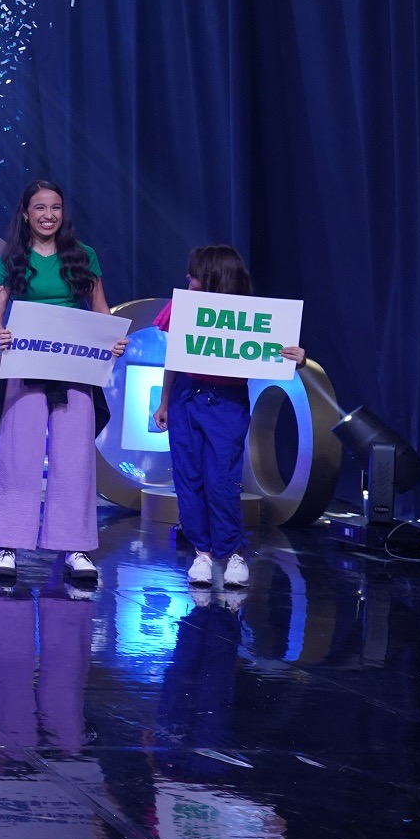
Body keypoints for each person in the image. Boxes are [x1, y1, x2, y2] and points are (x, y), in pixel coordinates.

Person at [0, 180, 126, 584]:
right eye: (40, 208)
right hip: (26, 364)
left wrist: (112, 338)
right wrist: (0, 335)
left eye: (56, 207)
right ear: (26, 214)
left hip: (74, 368)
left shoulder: (83, 256)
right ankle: (8, 544)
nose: (49, 215)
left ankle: (75, 546)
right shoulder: (12, 258)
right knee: (17, 455)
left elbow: (101, 310)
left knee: (74, 457)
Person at [152, 245, 304, 587]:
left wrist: (299, 359)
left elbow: (276, 354)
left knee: (221, 480)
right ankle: (202, 554)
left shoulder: (252, 315)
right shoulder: (184, 307)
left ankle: (233, 553)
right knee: (188, 478)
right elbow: (175, 357)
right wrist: (164, 402)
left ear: (214, 278)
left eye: (194, 276)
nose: (188, 281)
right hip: (186, 397)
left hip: (228, 403)